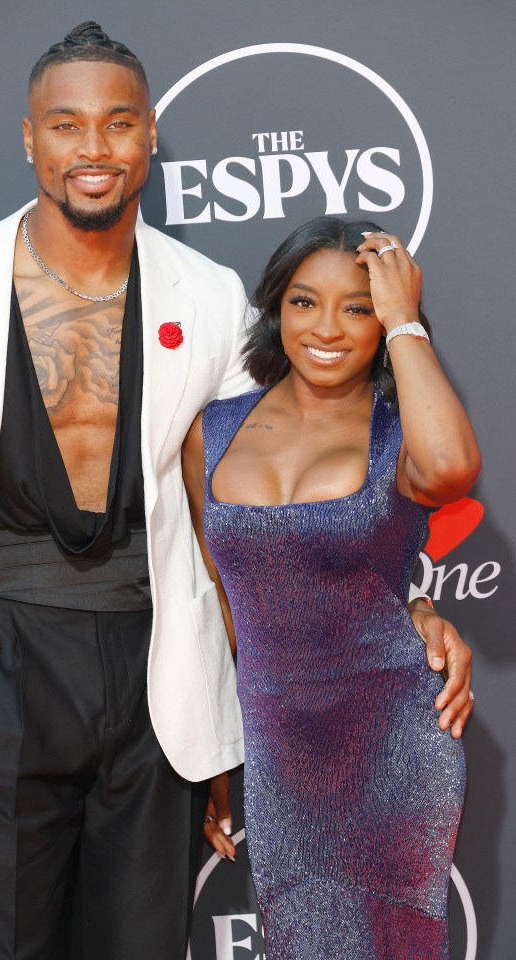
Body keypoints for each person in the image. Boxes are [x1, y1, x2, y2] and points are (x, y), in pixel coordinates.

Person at [0, 20, 472, 960]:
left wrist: (411, 600)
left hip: (157, 670)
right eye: (66, 125)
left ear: (151, 134)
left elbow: (273, 488)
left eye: (118, 123)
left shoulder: (211, 296)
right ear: (30, 138)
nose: (94, 148)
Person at [182, 217, 481, 959]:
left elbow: (451, 469)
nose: (326, 328)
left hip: (394, 743)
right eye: (303, 301)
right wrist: (217, 746)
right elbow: (217, 599)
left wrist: (404, 315)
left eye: (358, 308)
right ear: (275, 308)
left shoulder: (399, 434)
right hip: (280, 753)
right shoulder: (211, 432)